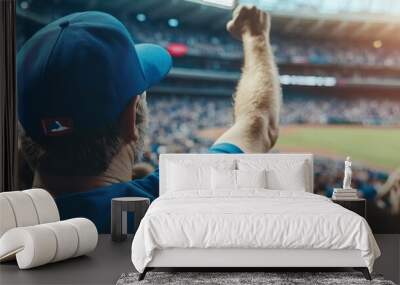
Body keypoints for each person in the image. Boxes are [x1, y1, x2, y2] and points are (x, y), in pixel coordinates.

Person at [18, 6, 281, 233]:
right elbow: (258, 125)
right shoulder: (170, 202)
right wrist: (255, 36)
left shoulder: (13, 225)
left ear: (24, 136)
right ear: (129, 120)